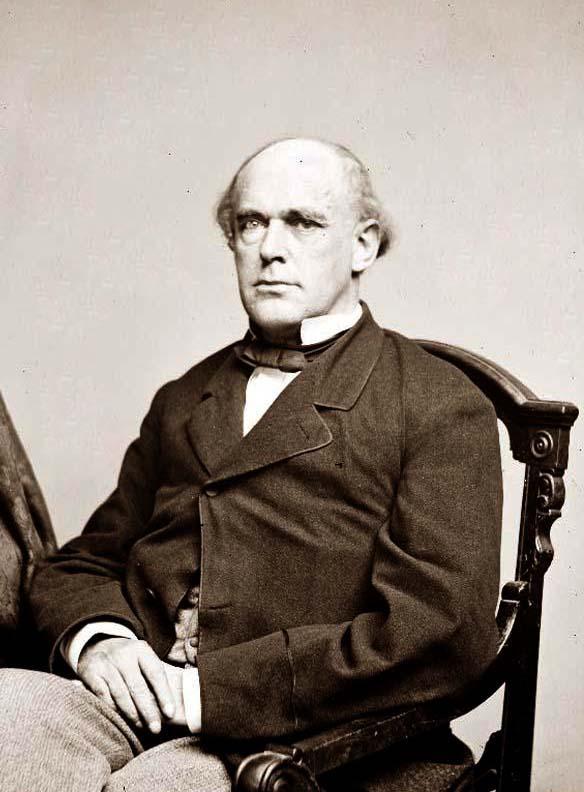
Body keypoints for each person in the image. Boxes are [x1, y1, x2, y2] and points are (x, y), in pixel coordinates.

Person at [0, 138, 502, 791]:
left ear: (364, 245)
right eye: (251, 223)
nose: (271, 248)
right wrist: (103, 643)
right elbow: (81, 564)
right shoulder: (184, 397)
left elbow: (440, 632)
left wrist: (205, 694)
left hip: (318, 735)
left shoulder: (436, 402)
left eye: (304, 222)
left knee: (162, 786)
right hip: (143, 703)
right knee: (7, 714)